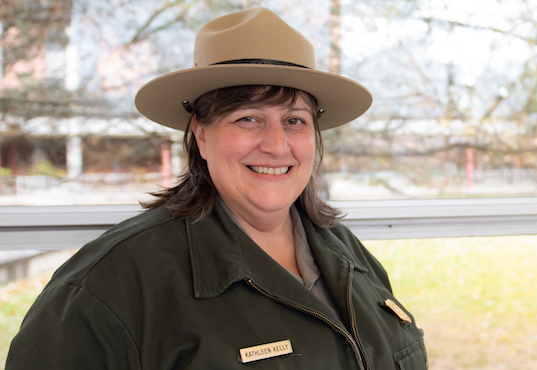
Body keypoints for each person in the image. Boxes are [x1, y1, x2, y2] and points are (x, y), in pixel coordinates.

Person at [7, 7, 426, 369]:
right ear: (201, 135)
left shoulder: (346, 253)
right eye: (248, 118)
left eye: (294, 120)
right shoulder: (107, 287)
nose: (277, 145)